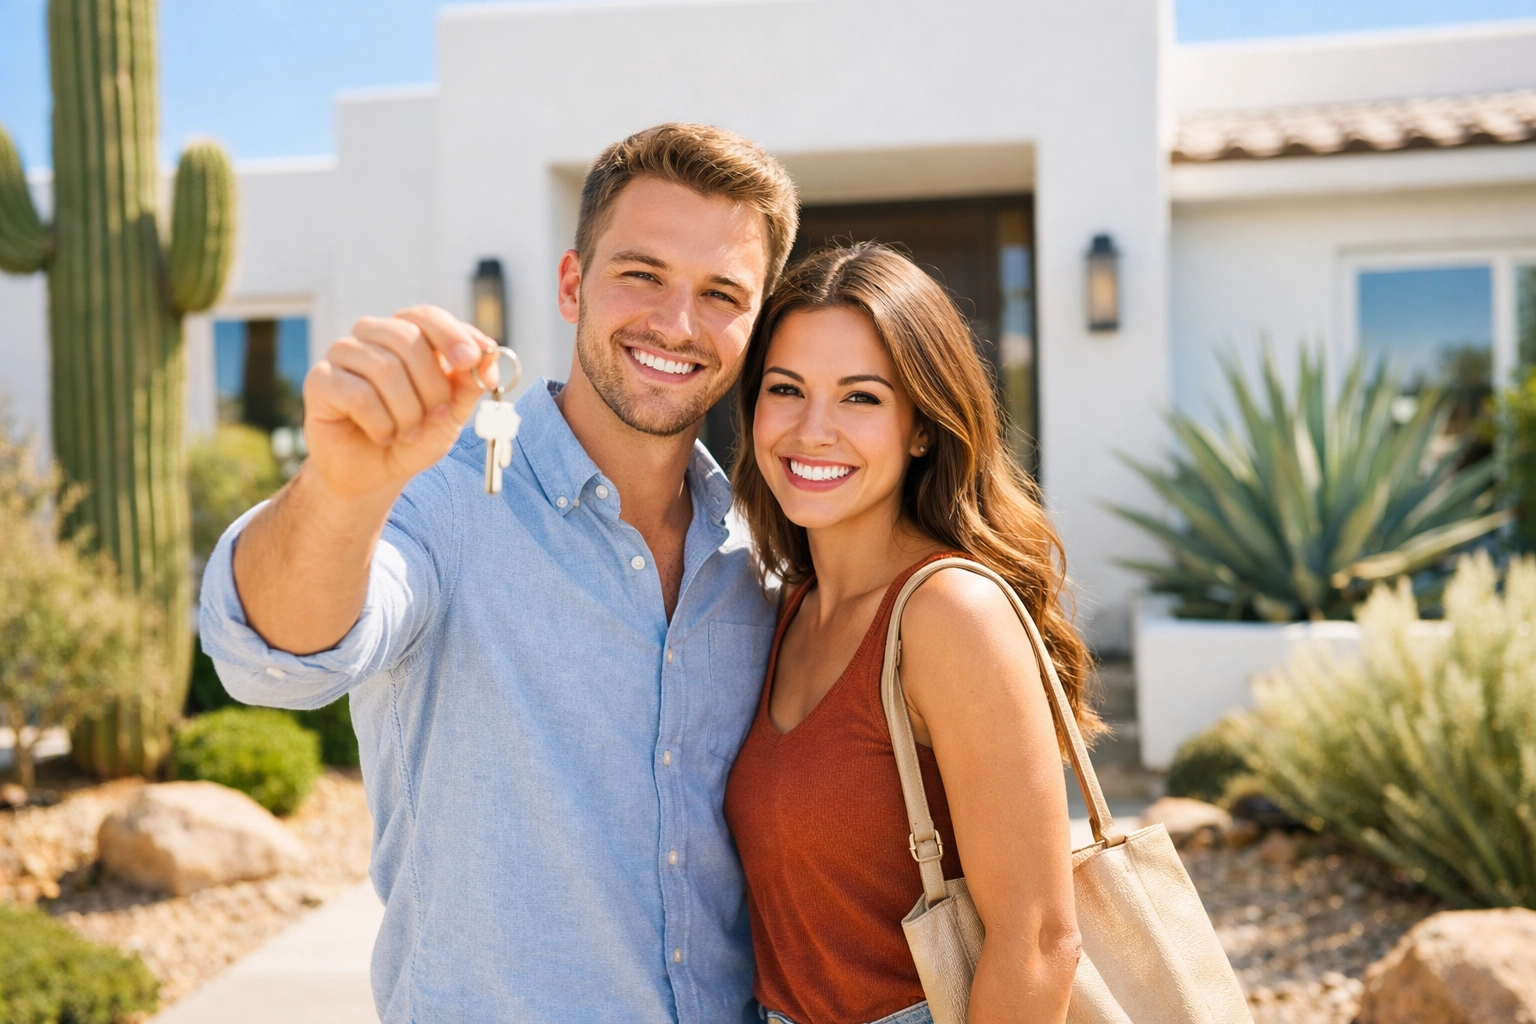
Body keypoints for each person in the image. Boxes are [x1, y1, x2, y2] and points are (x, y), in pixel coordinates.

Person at [199, 123, 799, 1023]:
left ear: (755, 325)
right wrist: (339, 489)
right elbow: (276, 656)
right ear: (571, 285)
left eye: (721, 293)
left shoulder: (762, 553)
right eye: (641, 274)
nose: (677, 323)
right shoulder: (441, 503)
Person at [724, 243, 1104, 1024]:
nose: (811, 430)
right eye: (785, 389)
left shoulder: (948, 614)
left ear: (923, 428)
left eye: (860, 398)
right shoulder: (787, 608)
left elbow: (1037, 941)